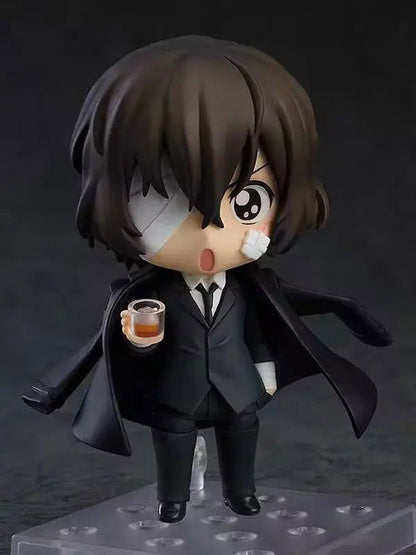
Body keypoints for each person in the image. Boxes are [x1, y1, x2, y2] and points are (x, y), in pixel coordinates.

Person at [22, 35, 392, 524]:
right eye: (164, 203)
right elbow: (111, 349)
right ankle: (172, 499)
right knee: (174, 440)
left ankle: (241, 493)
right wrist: (139, 343)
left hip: (238, 389)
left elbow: (259, 331)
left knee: (242, 432)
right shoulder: (149, 296)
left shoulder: (249, 289)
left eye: (247, 202)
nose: (210, 231)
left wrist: (264, 371)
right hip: (176, 391)